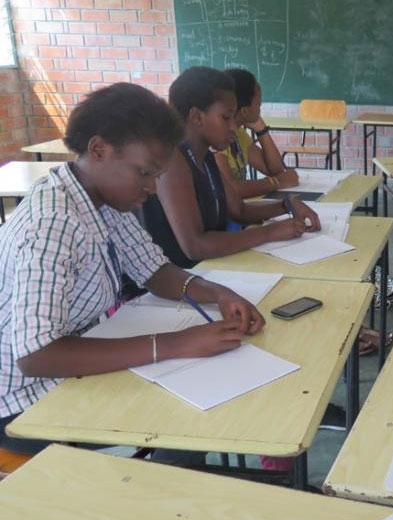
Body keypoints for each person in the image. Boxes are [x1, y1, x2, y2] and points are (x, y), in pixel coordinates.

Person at [0, 83, 264, 460]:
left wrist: (220, 293)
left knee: (195, 391)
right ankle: (163, 498)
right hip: (24, 401)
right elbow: (36, 355)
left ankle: (174, 483)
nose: (153, 188)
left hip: (68, 368)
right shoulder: (52, 224)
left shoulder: (98, 197)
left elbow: (155, 271)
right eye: (144, 173)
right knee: (186, 415)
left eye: (157, 175)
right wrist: (175, 344)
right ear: (98, 150)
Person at [140, 66, 320, 270]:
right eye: (226, 118)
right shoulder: (173, 161)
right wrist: (268, 233)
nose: (234, 127)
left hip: (210, 271)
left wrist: (287, 205)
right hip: (180, 283)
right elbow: (195, 246)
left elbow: (238, 210)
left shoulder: (206, 157)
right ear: (197, 117)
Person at [214, 68, 299, 199]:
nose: (260, 107)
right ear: (244, 110)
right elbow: (233, 189)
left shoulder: (239, 134)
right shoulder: (217, 139)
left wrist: (261, 129)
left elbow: (275, 170)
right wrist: (277, 182)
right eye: (258, 102)